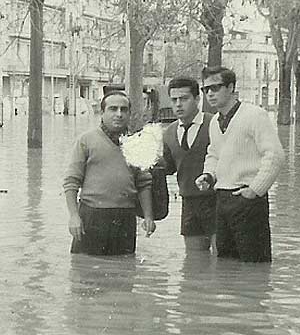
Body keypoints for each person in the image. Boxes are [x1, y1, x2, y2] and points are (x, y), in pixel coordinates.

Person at [195, 67, 284, 263]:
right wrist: (208, 175)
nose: (210, 93)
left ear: (231, 87)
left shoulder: (254, 115)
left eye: (216, 87)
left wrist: (255, 189)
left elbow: (275, 155)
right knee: (226, 262)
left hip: (248, 199)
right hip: (222, 198)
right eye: (205, 89)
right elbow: (215, 154)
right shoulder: (215, 122)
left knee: (254, 262)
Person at [63, 91, 156, 255]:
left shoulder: (136, 142)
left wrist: (148, 216)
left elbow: (144, 183)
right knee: (86, 271)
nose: (119, 114)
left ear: (129, 113)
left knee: (124, 271)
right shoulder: (86, 140)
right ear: (102, 112)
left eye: (124, 109)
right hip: (92, 215)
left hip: (125, 218)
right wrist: (73, 216)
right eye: (113, 109)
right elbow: (71, 182)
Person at [162, 77, 217, 253]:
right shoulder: (169, 132)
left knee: (221, 259)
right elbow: (168, 167)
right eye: (174, 100)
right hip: (189, 203)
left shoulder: (214, 124)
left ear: (197, 99)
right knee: (193, 261)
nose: (178, 104)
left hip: (217, 202)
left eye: (184, 99)